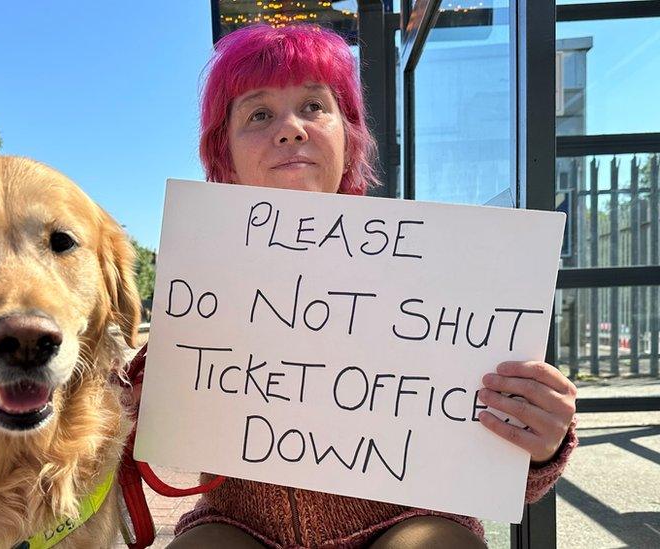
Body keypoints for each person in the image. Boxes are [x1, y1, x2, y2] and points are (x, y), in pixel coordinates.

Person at [136, 24, 579, 548]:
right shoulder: (203, 280)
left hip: (412, 521)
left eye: (313, 107)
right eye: (259, 113)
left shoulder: (438, 269)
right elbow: (136, 412)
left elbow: (500, 461)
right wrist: (133, 399)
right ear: (223, 151)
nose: (290, 129)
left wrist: (542, 443)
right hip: (239, 527)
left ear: (348, 133)